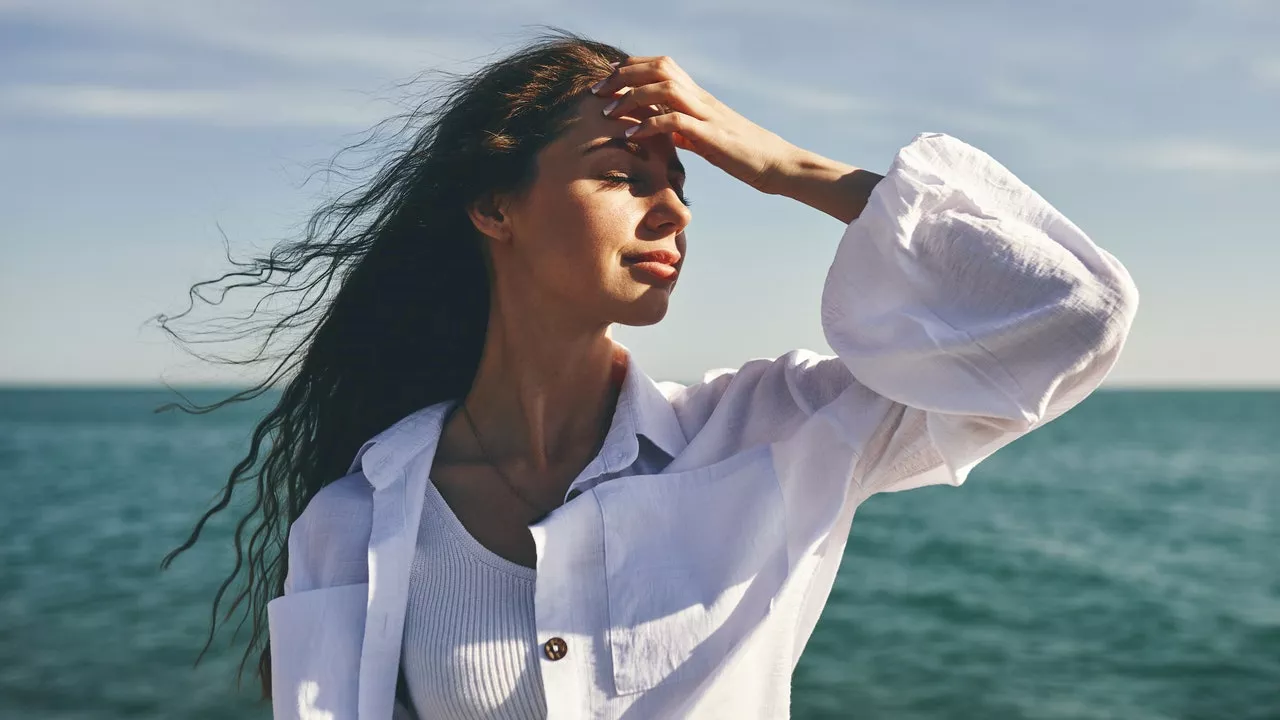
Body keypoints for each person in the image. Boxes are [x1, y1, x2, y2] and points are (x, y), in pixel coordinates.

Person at [160, 28, 1139, 720]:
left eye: (681, 185)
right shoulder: (358, 521)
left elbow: (1068, 316)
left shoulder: (776, 435)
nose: (672, 211)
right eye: (624, 178)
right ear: (495, 206)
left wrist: (779, 165)